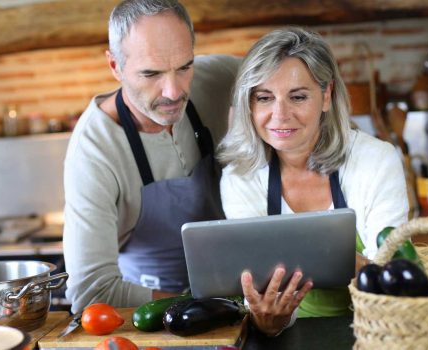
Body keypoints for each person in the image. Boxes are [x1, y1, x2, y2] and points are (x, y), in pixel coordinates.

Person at [217, 27, 409, 321]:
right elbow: (258, 288)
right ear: (249, 103)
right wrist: (271, 323)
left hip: (372, 328)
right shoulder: (240, 176)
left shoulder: (376, 160)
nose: (280, 115)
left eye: (297, 97)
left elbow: (389, 277)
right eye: (265, 98)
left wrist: (311, 258)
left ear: (327, 95)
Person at [62, 0, 242, 314]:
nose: (173, 92)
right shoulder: (93, 151)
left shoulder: (221, 79)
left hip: (240, 293)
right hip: (151, 321)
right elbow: (91, 291)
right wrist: (202, 307)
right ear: (115, 67)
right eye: (151, 73)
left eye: (185, 67)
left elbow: (298, 86)